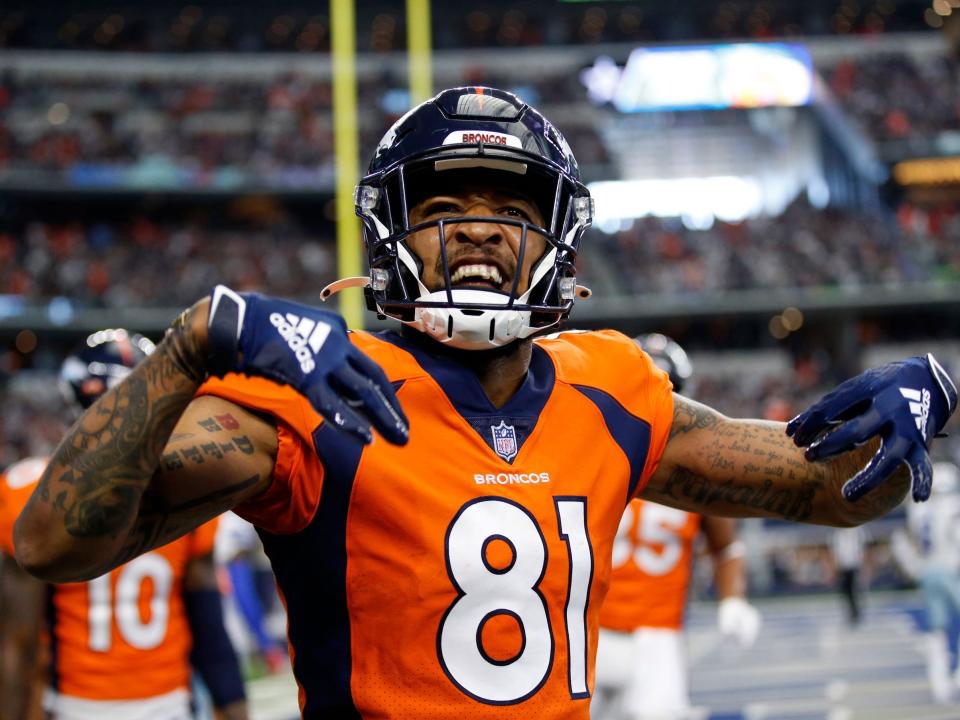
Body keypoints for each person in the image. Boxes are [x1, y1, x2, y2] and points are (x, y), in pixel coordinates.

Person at [11, 87, 958, 720]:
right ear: (391, 230)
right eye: (439, 206)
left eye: (509, 209)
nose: (475, 229)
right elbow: (51, 544)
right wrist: (188, 347)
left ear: (556, 235)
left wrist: (927, 397)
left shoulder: (614, 385)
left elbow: (832, 491)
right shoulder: (311, 402)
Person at [0, 330, 248, 720]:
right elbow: (210, 632)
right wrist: (234, 710)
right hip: (169, 709)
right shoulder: (188, 484)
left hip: (77, 708)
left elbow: (19, 644)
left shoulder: (30, 491)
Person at [593, 334, 761, 720]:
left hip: (657, 636)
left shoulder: (697, 471)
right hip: (587, 630)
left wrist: (733, 598)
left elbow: (726, 547)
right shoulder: (591, 452)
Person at [891, 460, 960, 703]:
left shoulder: (919, 509)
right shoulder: (952, 506)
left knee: (936, 630)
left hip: (928, 571)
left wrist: (915, 568)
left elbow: (904, 542)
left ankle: (938, 681)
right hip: (951, 569)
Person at [831, 524, 868, 627]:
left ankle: (857, 613)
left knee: (856, 590)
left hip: (855, 565)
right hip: (843, 567)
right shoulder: (837, 534)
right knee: (845, 591)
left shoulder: (857, 531)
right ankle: (850, 612)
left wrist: (864, 565)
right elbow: (836, 552)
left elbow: (863, 549)